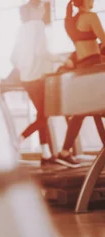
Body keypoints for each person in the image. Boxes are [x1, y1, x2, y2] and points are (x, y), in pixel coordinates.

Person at [11, 0, 74, 167]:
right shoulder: (37, 25)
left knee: (42, 115)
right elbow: (42, 52)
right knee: (44, 114)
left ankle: (46, 155)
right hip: (38, 78)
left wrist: (25, 67)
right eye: (43, 8)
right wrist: (62, 59)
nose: (45, 11)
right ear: (37, 9)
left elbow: (14, 57)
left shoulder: (21, 28)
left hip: (26, 78)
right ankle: (18, 140)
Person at [59, 0, 105, 166]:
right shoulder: (91, 17)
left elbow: (81, 45)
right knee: (98, 108)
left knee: (84, 111)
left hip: (81, 67)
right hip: (93, 66)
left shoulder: (72, 20)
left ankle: (64, 151)